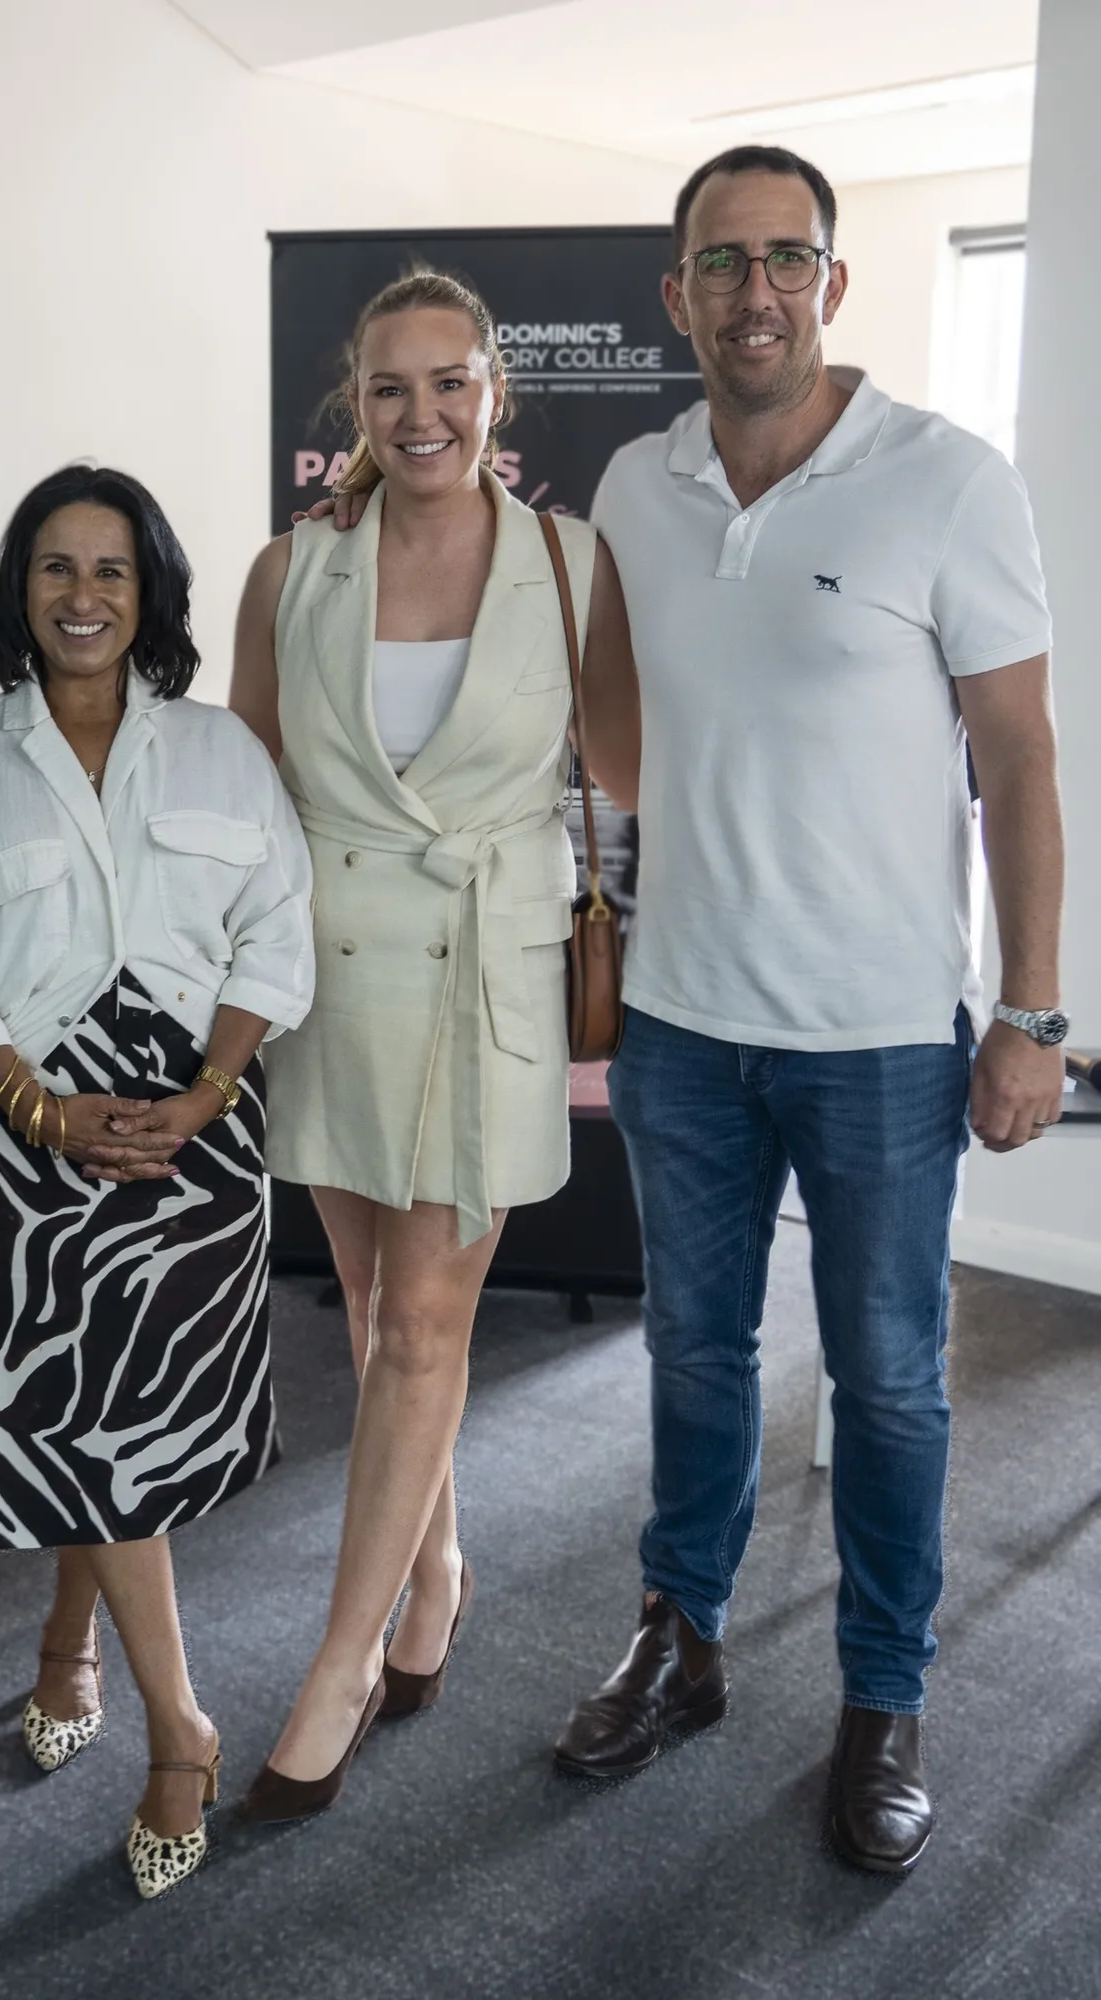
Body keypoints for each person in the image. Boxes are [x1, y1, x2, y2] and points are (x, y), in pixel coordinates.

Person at [556, 146, 1065, 1875]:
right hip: (686, 1025)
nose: (755, 290)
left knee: (892, 1386)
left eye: (787, 257)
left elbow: (1019, 759)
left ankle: (883, 1696)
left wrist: (1033, 1012)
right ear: (677, 294)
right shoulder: (634, 484)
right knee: (694, 1357)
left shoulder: (948, 479)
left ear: (832, 283)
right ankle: (681, 1638)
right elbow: (618, 736)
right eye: (723, 262)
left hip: (882, 1040)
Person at [229, 270, 633, 1821]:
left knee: (420, 1327)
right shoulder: (293, 569)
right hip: (334, 972)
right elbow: (249, 786)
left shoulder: (572, 563)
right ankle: (438, 1565)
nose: (422, 416)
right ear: (356, 401)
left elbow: (632, 761)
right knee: (372, 1306)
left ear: (494, 389)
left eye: (449, 382)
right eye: (390, 388)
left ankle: (341, 1663)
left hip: (486, 974)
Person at [0, 464, 314, 1897]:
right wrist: (44, 1114)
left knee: (118, 1420)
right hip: (17, 1128)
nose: (83, 596)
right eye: (56, 568)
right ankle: (179, 1728)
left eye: (111, 570)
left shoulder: (221, 751)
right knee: (82, 1410)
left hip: (196, 1123)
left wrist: (204, 1097)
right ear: (20, 590)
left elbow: (277, 932)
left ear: (153, 593)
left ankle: (70, 1647)